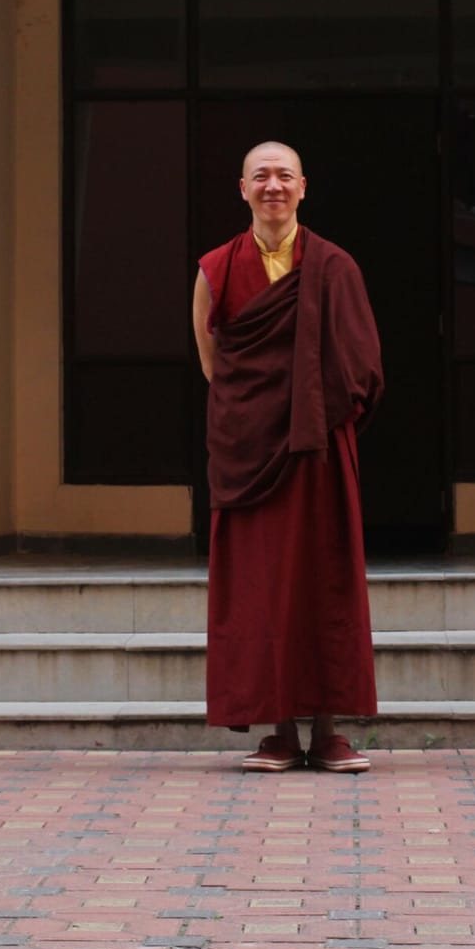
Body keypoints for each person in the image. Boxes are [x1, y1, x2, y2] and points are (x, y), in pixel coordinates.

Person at [191, 141, 383, 774]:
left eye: (284, 176)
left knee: (323, 581)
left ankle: (328, 731)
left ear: (305, 187)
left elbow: (361, 365)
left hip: (319, 450)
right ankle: (278, 732)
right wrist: (259, 413)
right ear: (241, 188)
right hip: (249, 452)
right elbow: (215, 366)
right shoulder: (216, 268)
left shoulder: (335, 266)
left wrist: (311, 413)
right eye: (260, 176)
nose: (273, 186)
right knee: (261, 588)